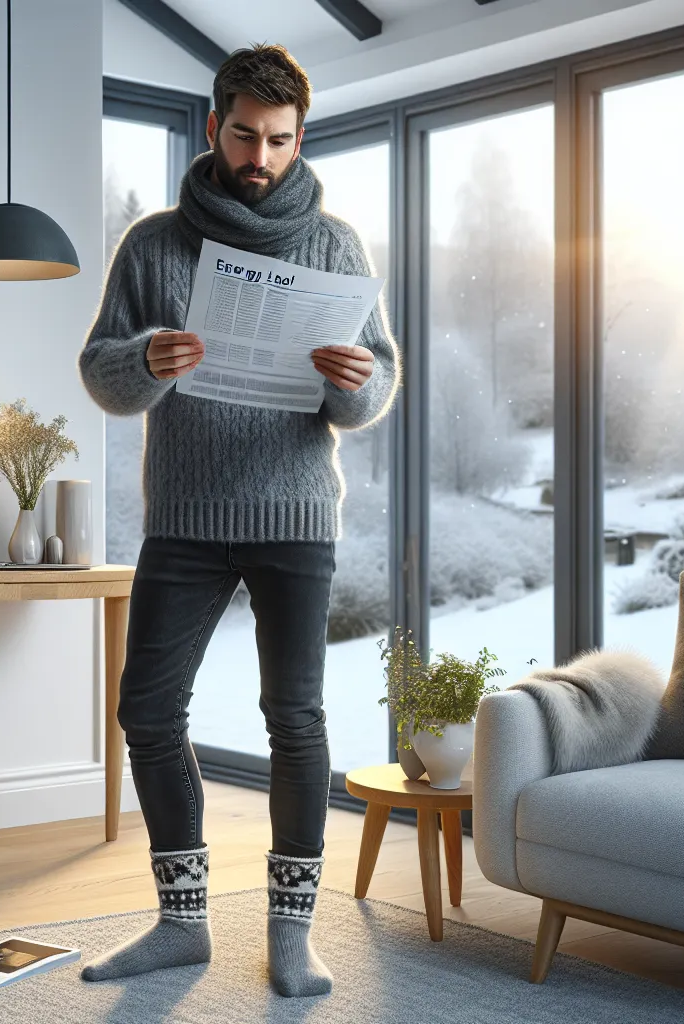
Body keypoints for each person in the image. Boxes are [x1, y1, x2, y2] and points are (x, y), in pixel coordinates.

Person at [77, 44, 400, 998]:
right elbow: (103, 373)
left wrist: (356, 385)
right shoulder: (154, 243)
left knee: (293, 719)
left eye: (282, 141)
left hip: (297, 512)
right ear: (214, 125)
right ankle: (183, 924)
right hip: (187, 512)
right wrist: (147, 358)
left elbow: (374, 379)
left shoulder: (336, 243)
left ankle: (292, 936)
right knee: (146, 708)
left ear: (300, 140)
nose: (262, 157)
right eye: (247, 135)